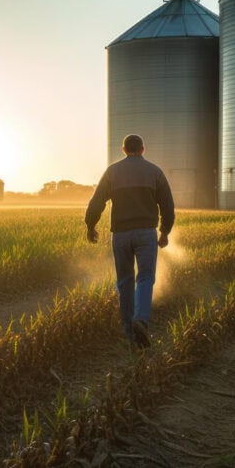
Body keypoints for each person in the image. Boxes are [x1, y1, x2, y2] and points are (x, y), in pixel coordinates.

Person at [84, 134, 175, 347]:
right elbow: (167, 206)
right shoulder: (155, 172)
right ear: (143, 149)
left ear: (123, 149)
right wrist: (165, 232)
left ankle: (130, 333)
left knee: (124, 281)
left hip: (121, 235)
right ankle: (141, 319)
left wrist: (90, 225)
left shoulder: (112, 172)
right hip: (145, 233)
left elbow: (97, 201)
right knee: (145, 277)